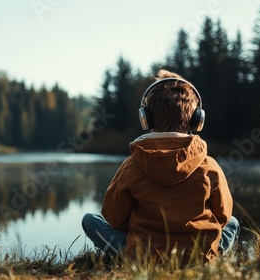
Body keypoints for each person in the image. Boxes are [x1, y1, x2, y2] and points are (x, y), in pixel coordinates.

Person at [81, 69, 239, 263]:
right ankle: (210, 257)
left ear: (146, 118)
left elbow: (114, 219)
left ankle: (129, 257)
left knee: (90, 220)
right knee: (233, 223)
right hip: (199, 256)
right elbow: (223, 217)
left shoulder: (132, 166)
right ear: (196, 119)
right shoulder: (209, 166)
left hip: (144, 257)